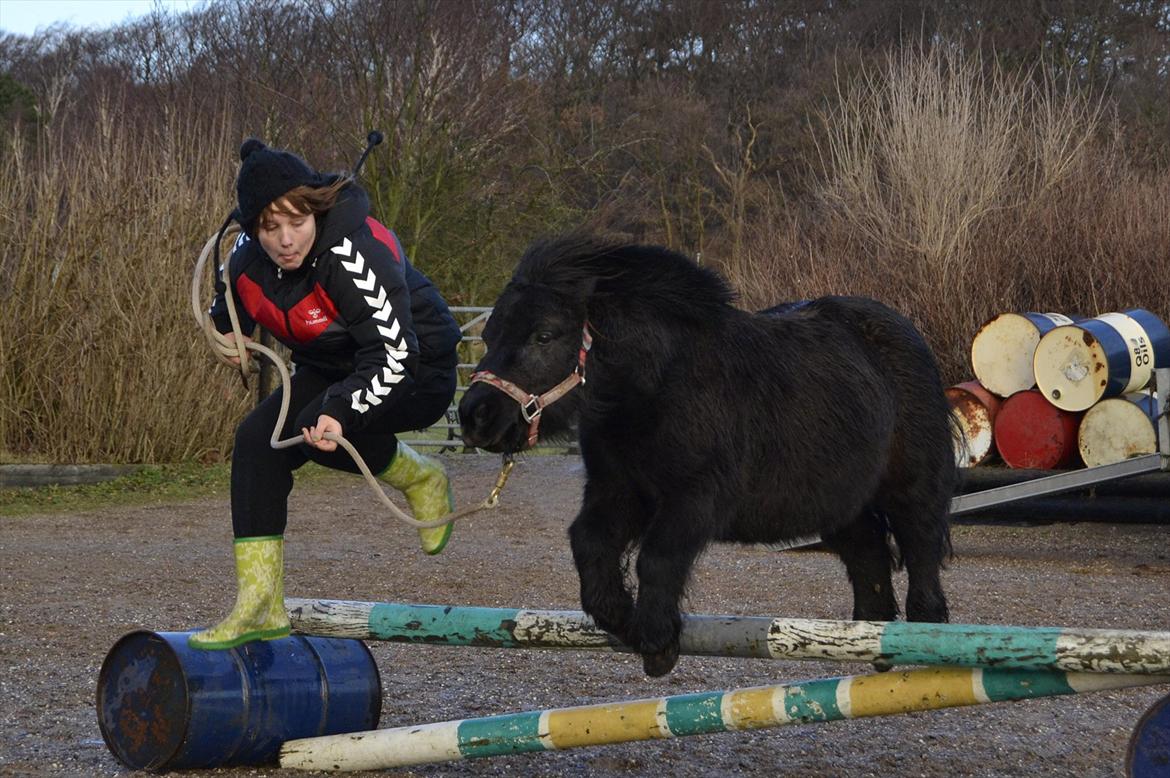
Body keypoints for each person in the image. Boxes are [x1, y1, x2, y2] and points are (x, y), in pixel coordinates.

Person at [189, 138, 462, 650]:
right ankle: (261, 605)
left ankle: (422, 476)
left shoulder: (352, 255)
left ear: (314, 208)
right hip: (332, 365)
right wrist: (229, 335)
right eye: (271, 228)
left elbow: (396, 356)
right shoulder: (245, 262)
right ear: (253, 230)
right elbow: (227, 310)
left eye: (297, 222)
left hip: (417, 369)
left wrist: (341, 409)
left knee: (320, 425)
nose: (286, 240)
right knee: (257, 442)